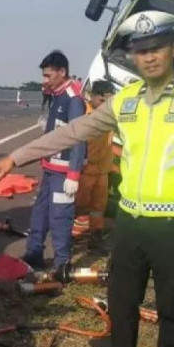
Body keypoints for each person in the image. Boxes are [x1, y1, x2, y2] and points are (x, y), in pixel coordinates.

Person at [0, 10, 174, 347]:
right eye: (140, 51)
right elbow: (73, 132)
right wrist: (17, 156)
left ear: (173, 49)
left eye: (157, 48)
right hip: (130, 224)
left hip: (173, 226)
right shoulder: (125, 102)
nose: (149, 58)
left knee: (173, 312)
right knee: (122, 306)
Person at [22, 50, 87, 271]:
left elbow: (79, 137)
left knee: (60, 218)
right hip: (50, 169)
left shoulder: (73, 99)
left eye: (48, 76)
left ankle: (61, 264)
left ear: (62, 72)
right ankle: (33, 254)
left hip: (63, 172)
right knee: (39, 214)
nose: (45, 80)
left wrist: (74, 174)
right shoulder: (57, 95)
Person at [75, 80, 115, 254]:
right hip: (86, 170)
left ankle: (95, 237)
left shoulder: (110, 115)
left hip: (103, 169)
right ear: (94, 97)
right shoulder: (83, 115)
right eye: (103, 100)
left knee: (99, 207)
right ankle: (70, 237)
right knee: (78, 205)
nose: (106, 104)